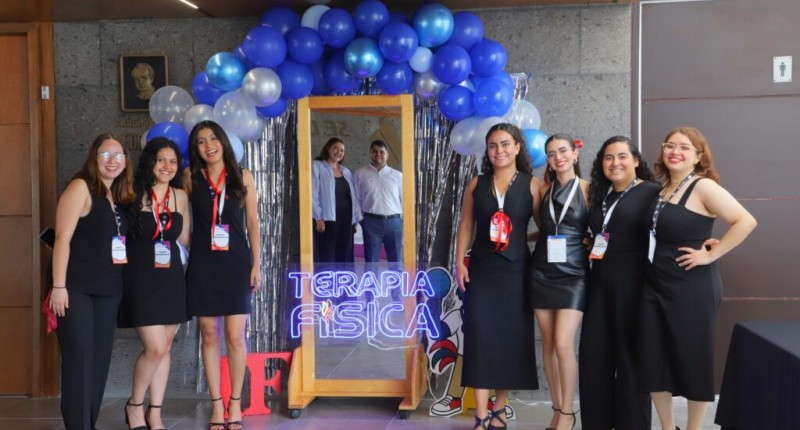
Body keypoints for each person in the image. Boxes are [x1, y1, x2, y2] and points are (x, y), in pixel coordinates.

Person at [640, 127, 756, 430]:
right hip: (654, 284)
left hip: (691, 287)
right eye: (669, 145)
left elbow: (745, 221)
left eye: (684, 147)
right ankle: (668, 427)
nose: (674, 152)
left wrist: (711, 254)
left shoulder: (703, 186)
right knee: (653, 360)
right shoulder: (663, 189)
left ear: (698, 156)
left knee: (694, 360)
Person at [455, 123, 541, 430]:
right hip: (481, 270)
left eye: (505, 144)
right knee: (480, 337)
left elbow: (546, 227)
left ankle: (500, 410)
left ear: (517, 147)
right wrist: (459, 262)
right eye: (493, 145)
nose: (499, 150)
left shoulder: (532, 184)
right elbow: (466, 224)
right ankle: (480, 414)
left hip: (517, 272)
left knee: (509, 339)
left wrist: (521, 238)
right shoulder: (477, 183)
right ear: (487, 151)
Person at [49, 133, 135, 430]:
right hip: (76, 289)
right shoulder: (80, 187)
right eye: (105, 155)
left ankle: (89, 423)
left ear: (126, 161)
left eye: (118, 155)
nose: (113, 161)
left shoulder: (117, 196)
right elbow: (62, 239)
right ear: (94, 158)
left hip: (108, 290)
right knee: (80, 359)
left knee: (98, 362)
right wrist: (58, 286)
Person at [578, 136, 659, 430]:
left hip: (634, 286)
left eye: (622, 156)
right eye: (608, 157)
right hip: (600, 284)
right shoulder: (601, 194)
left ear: (636, 160)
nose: (615, 163)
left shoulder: (652, 192)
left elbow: (671, 227)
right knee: (594, 358)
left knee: (630, 361)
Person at [185, 121, 261, 430]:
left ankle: (235, 403)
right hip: (203, 264)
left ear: (223, 142)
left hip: (237, 263)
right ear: (196, 148)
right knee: (208, 333)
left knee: (235, 335)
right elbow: (182, 219)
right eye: (201, 141)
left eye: (213, 138)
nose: (208, 146)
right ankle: (216, 404)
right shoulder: (190, 177)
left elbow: (253, 223)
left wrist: (257, 264)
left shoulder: (243, 176)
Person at [118, 138, 190, 430]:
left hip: (171, 278)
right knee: (156, 347)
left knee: (166, 346)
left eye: (172, 161)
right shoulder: (132, 193)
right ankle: (134, 405)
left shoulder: (180, 196)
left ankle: (155, 412)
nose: (167, 166)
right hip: (139, 277)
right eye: (161, 160)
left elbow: (187, 239)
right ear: (150, 161)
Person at [528, 133, 589, 430]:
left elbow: (600, 229)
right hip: (542, 271)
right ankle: (556, 409)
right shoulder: (543, 190)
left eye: (563, 151)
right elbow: (545, 229)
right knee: (549, 343)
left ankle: (568, 412)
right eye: (551, 154)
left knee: (564, 343)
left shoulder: (589, 190)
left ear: (575, 154)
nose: (558, 157)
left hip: (574, 273)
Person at [354, 140, 403, 301]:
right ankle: (370, 298)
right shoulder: (360, 173)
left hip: (394, 223)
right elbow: (356, 199)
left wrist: (403, 221)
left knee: (396, 263)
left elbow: (405, 201)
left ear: (387, 154)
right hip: (371, 223)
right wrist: (361, 220)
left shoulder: (397, 176)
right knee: (371, 264)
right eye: (375, 151)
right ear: (370, 153)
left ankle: (397, 297)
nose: (378, 154)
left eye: (382, 151)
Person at [311, 137, 361, 264]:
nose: (339, 152)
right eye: (335, 148)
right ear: (328, 148)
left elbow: (353, 196)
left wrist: (354, 220)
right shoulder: (317, 166)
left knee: (344, 254)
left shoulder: (346, 171)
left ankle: (344, 277)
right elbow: (313, 193)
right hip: (327, 219)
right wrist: (318, 217)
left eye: (342, 150)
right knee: (327, 254)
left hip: (346, 219)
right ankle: (327, 277)